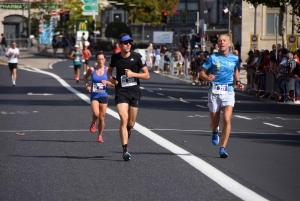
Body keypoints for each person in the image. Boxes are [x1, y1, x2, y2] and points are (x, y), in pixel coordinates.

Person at [199, 35, 244, 158]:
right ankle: (215, 131)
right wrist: (206, 77)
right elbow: (201, 72)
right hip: (214, 91)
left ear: (229, 43)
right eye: (220, 41)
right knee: (215, 122)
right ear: (218, 44)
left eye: (224, 41)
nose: (222, 42)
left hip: (228, 90)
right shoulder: (213, 58)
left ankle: (223, 148)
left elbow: (236, 71)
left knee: (227, 119)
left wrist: (238, 82)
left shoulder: (234, 58)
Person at [107, 33, 150, 161]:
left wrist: (133, 74)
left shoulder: (137, 57)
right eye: (125, 43)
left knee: (131, 123)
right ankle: (125, 149)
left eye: (130, 42)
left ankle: (128, 130)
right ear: (120, 45)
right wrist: (111, 78)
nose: (128, 44)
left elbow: (147, 75)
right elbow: (109, 70)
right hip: (121, 91)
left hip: (134, 92)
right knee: (123, 118)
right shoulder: (115, 58)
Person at [83, 51, 115, 142]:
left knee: (102, 117)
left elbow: (114, 84)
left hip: (104, 95)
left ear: (105, 60)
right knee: (96, 114)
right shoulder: (92, 69)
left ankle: (100, 135)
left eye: (102, 59)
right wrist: (87, 85)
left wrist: (108, 82)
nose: (100, 61)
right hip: (94, 95)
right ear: (96, 60)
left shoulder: (108, 70)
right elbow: (85, 77)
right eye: (99, 59)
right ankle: (93, 122)